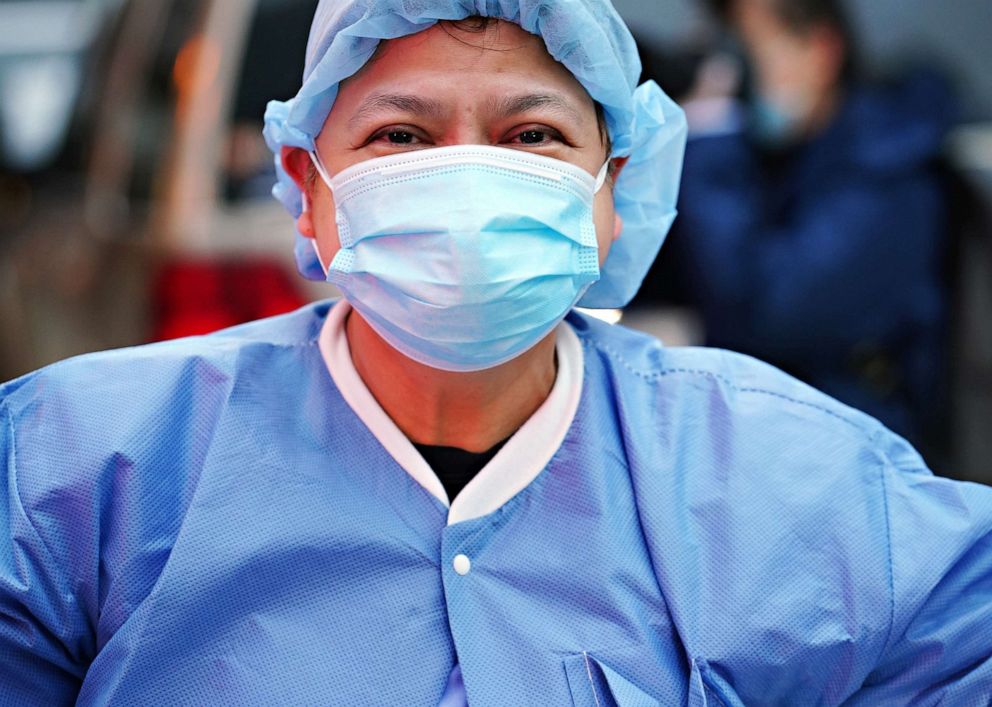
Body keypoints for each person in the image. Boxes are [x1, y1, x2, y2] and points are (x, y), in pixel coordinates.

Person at [1, 1, 990, 704]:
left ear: (614, 193)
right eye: (399, 135)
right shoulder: (76, 481)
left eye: (530, 135)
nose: (468, 180)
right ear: (306, 185)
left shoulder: (793, 485)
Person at [645, 0, 955, 446]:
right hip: (763, 430)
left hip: (858, 441)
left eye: (744, 52)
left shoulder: (890, 165)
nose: (732, 75)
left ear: (820, 50)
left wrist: (713, 142)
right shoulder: (771, 159)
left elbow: (770, 317)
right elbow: (658, 281)